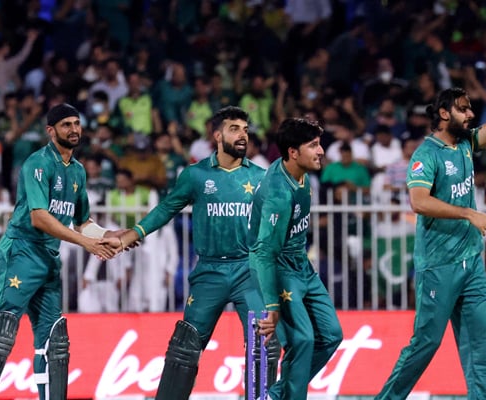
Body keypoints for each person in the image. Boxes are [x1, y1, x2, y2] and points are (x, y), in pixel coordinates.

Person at [375, 55, 486, 400]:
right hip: (438, 266)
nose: (471, 114)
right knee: (425, 343)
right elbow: (419, 202)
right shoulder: (425, 154)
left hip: (471, 262)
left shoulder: (467, 144)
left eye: (470, 109)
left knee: (481, 349)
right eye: (463, 109)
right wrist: (469, 214)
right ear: (444, 113)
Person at [113, 106, 279, 400]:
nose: (243, 135)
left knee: (263, 342)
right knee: (185, 346)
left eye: (245, 129)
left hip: (249, 271)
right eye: (234, 129)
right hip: (210, 271)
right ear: (217, 136)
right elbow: (167, 207)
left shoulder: (262, 177)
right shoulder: (196, 175)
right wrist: (134, 233)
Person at [0, 103, 120, 400]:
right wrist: (85, 243)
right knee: (1, 331)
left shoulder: (78, 172)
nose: (74, 129)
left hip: (49, 258)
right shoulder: (38, 163)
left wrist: (110, 236)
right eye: (66, 125)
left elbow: (83, 221)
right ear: (51, 131)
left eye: (76, 123)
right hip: (22, 251)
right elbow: (39, 217)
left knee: (53, 341)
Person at [249, 117, 343, 400]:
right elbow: (263, 252)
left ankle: (275, 395)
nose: (321, 151)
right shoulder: (279, 193)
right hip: (279, 269)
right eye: (313, 145)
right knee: (303, 339)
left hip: (303, 267)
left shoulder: (303, 175)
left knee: (332, 335)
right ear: (292, 151)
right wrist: (271, 305)